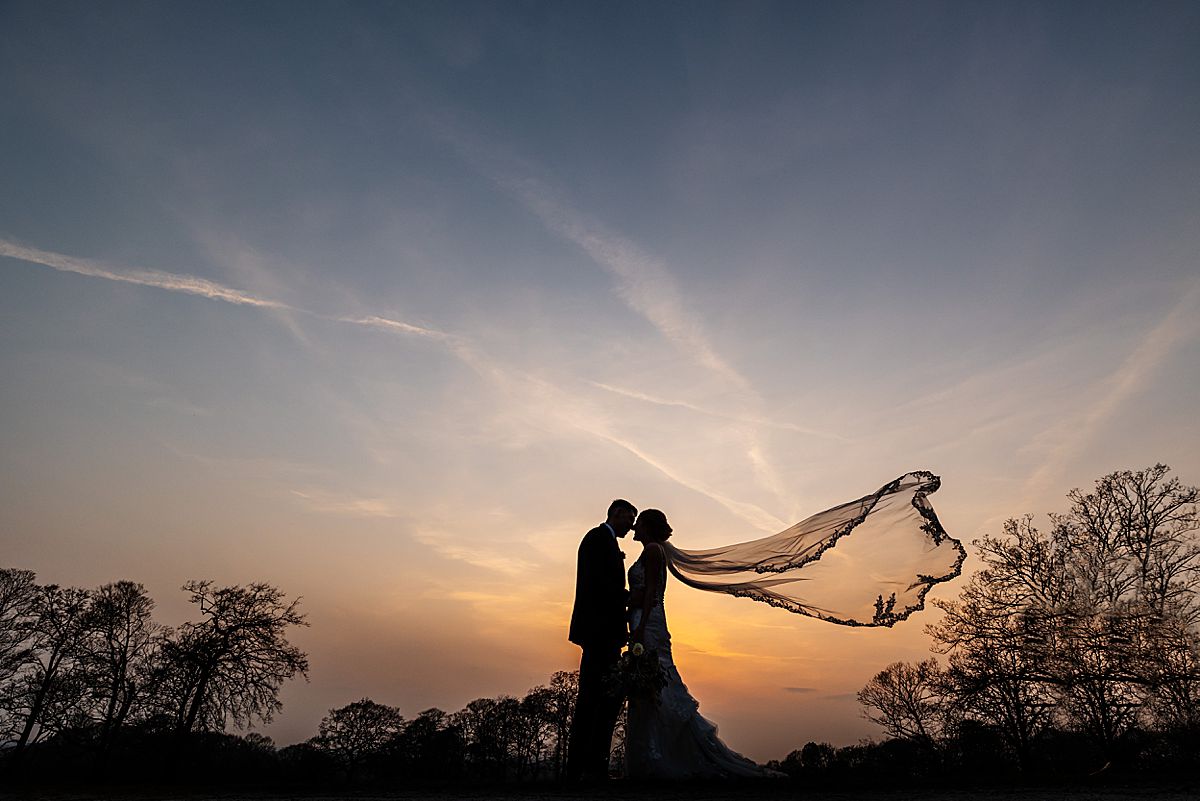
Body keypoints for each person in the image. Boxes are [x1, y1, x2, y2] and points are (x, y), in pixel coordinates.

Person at [625, 508, 781, 779]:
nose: (634, 529)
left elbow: (651, 592)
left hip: (648, 624)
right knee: (650, 685)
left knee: (655, 685)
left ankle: (659, 757)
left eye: (638, 524)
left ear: (648, 528)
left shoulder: (652, 550)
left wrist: (639, 627)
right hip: (647, 621)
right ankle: (651, 755)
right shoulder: (652, 550)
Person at [566, 498, 636, 781]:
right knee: (594, 699)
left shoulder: (604, 541)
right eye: (629, 520)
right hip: (599, 632)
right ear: (616, 514)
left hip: (603, 632)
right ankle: (583, 767)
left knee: (600, 697)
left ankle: (589, 766)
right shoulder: (597, 539)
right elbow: (600, 585)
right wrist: (631, 598)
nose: (630, 528)